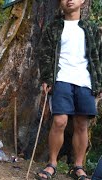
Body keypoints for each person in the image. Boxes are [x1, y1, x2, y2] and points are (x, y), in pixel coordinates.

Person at [36, 0, 102, 179]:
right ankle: (52, 164)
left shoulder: (91, 28)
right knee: (59, 122)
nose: (69, 0)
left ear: (83, 1)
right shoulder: (54, 27)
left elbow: (98, 57)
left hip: (85, 81)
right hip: (61, 79)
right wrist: (47, 78)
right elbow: (45, 54)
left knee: (82, 124)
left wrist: (99, 82)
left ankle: (78, 166)